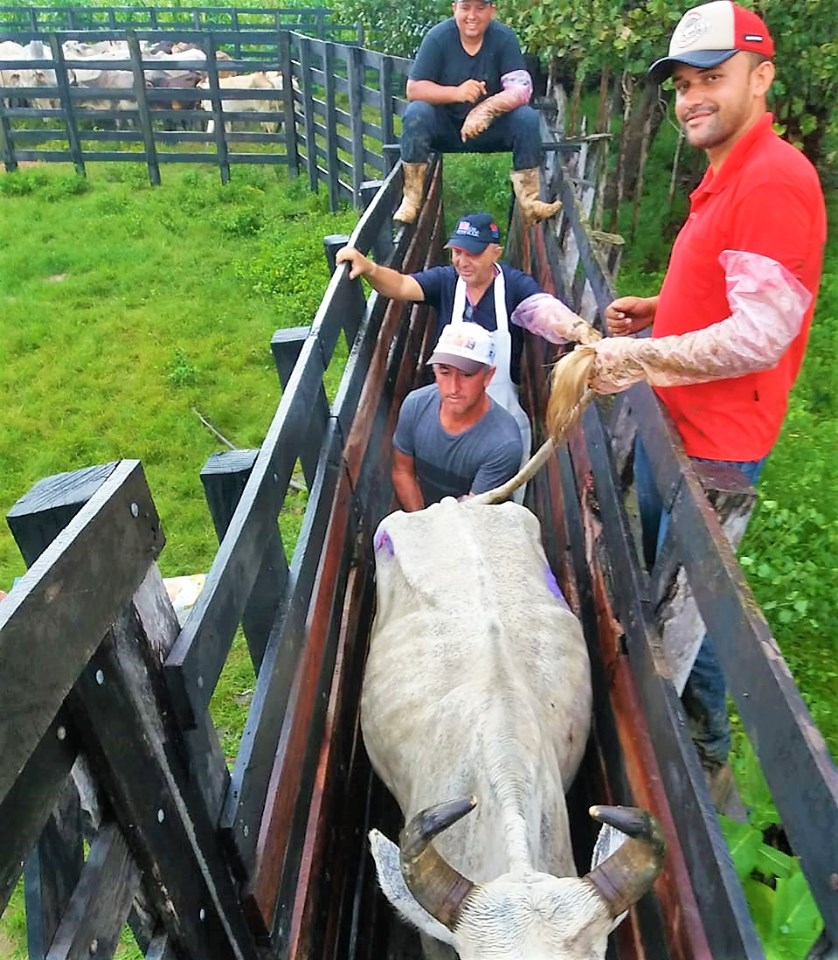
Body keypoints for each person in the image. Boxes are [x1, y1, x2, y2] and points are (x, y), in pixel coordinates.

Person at [584, 1, 826, 801]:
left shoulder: (774, 178)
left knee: (695, 601)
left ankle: (701, 754)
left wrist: (641, 354)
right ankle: (683, 725)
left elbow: (760, 335)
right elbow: (736, 289)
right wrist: (664, 306)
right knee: (667, 579)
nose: (692, 97)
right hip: (680, 422)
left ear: (762, 79)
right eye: (684, 84)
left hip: (714, 445)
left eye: (711, 79)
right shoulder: (728, 172)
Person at [336, 212, 599, 467]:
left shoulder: (514, 286)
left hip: (499, 413)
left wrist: (578, 329)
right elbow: (402, 286)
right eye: (457, 252)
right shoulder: (446, 281)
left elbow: (543, 309)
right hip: (451, 409)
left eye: (472, 253)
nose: (462, 261)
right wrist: (369, 267)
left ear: (495, 252)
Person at [393, 0, 561, 227]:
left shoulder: (504, 38)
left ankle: (530, 202)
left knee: (526, 118)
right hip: (446, 128)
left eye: (480, 8)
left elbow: (522, 88)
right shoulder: (438, 38)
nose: (472, 15)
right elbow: (414, 89)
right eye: (465, 7)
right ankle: (412, 198)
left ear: (492, 10)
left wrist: (485, 110)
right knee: (417, 112)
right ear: (454, 8)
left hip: (491, 129)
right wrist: (457, 93)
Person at [391, 322, 522, 510]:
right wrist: (421, 521)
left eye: (466, 375)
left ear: (488, 376)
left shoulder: (503, 443)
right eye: (444, 372)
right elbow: (403, 471)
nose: (453, 388)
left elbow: (474, 512)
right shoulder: (415, 405)